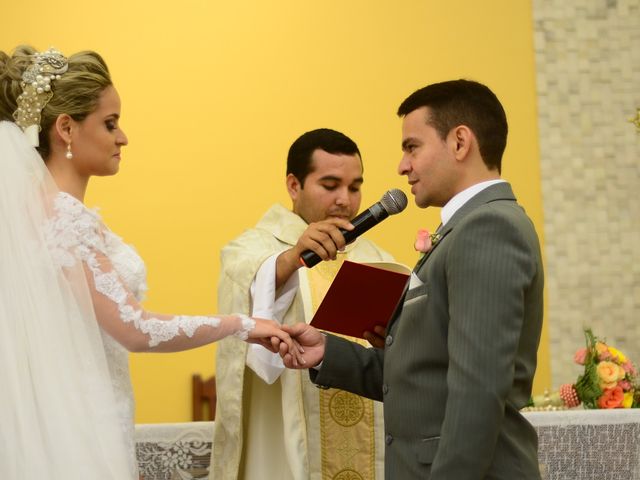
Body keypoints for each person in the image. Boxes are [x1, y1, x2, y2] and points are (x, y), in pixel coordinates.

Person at [0, 45, 300, 480]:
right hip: (79, 422)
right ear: (66, 128)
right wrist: (243, 325)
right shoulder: (61, 216)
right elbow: (135, 329)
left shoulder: (45, 214)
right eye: (110, 123)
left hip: (86, 411)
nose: (123, 137)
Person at [280, 80, 545, 479]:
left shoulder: (488, 227)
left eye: (412, 147)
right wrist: (328, 353)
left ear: (459, 143)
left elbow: (478, 391)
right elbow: (425, 375)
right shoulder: (464, 230)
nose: (402, 166)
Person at [212, 128, 394, 480]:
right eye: (330, 185)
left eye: (355, 187)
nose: (346, 200)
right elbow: (243, 291)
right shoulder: (253, 248)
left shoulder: (377, 259)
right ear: (294, 185)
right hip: (281, 431)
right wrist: (290, 259)